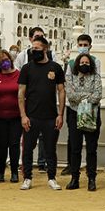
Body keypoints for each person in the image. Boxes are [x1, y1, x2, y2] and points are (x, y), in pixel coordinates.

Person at [18, 36, 66, 191]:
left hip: (51, 116)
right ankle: (27, 178)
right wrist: (23, 115)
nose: (34, 51)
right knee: (27, 149)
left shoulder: (55, 68)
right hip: (31, 116)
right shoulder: (27, 68)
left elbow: (61, 91)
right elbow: (21, 93)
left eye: (37, 48)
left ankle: (52, 178)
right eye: (33, 48)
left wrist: (60, 114)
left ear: (45, 49)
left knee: (50, 149)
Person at [64, 50, 102, 191]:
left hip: (92, 115)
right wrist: (87, 97)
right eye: (82, 62)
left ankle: (91, 178)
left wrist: (82, 97)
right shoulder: (71, 77)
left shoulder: (95, 77)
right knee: (75, 148)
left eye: (86, 62)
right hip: (74, 114)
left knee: (92, 149)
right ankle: (75, 178)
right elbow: (70, 95)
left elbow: (98, 95)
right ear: (77, 64)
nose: (84, 64)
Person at [0, 50, 22, 183]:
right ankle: (0, 171)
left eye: (6, 59)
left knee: (14, 144)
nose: (5, 62)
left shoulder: (18, 75)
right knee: (2, 143)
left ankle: (14, 172)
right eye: (1, 61)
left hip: (16, 115)